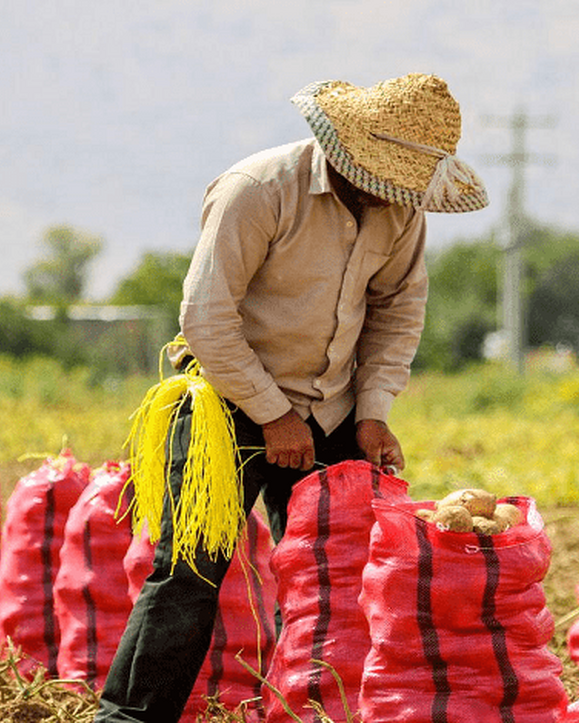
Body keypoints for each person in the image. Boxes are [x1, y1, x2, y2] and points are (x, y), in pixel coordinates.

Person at [95, 72, 488, 722]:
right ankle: (126, 719)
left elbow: (398, 310)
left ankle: (311, 710)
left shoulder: (400, 210)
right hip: (227, 403)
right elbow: (206, 316)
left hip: (331, 411)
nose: (388, 193)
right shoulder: (259, 190)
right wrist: (272, 413)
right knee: (190, 572)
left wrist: (372, 412)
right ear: (344, 148)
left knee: (330, 578)